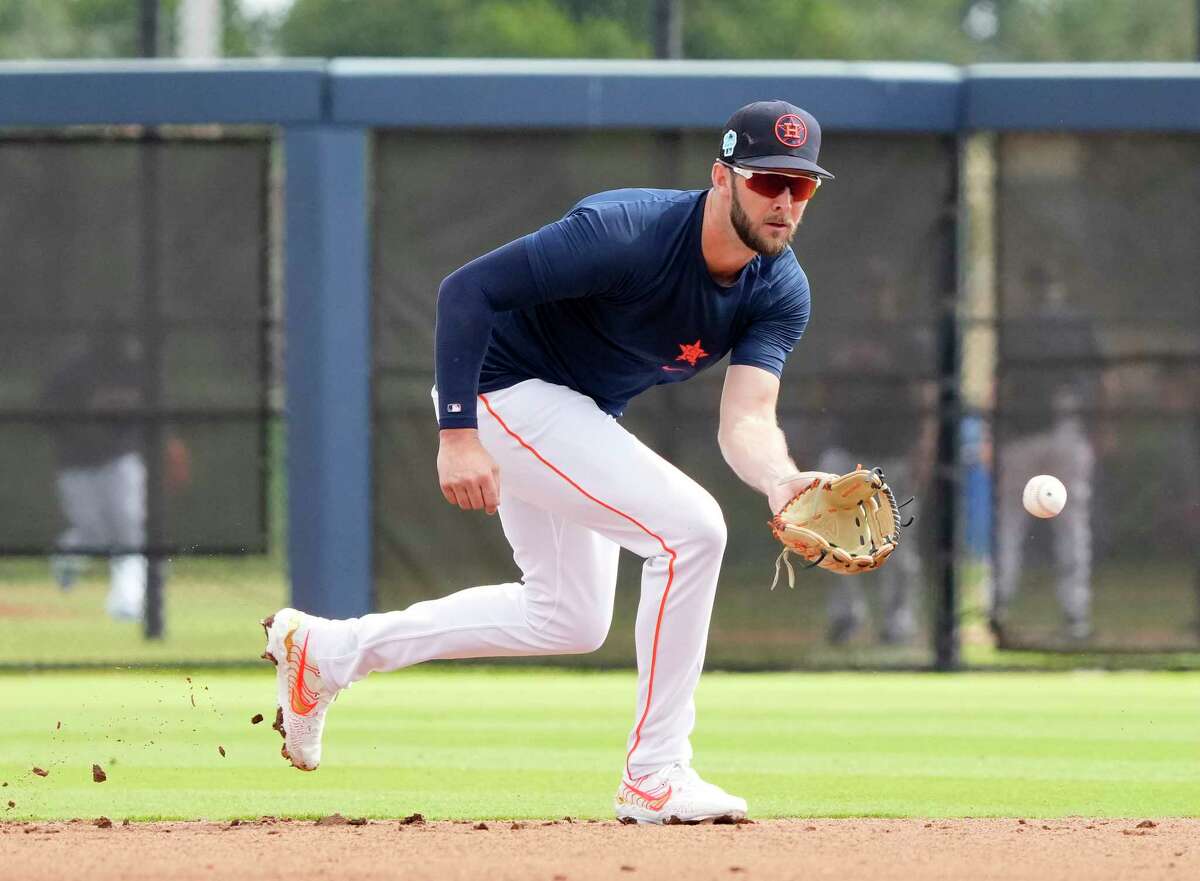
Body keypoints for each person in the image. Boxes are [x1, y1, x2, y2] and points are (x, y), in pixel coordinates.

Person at [264, 100, 838, 824]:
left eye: (803, 185)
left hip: (573, 411)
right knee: (693, 531)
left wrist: (782, 479)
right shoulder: (625, 233)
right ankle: (656, 773)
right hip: (500, 387)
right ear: (721, 177)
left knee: (568, 617)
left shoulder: (780, 288)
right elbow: (466, 290)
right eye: (767, 181)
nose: (785, 201)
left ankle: (327, 650)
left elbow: (748, 418)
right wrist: (458, 433)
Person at [43, 329, 189, 621]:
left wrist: (169, 440)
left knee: (129, 528)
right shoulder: (72, 372)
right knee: (92, 532)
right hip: (77, 463)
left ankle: (127, 602)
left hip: (121, 459)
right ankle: (67, 555)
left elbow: (155, 412)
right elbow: (47, 412)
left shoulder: (135, 371)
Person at [990, 265, 1099, 643]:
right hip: (1046, 434)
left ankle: (1001, 608)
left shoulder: (1020, 327)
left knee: (1018, 527)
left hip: (1045, 433)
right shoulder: (1064, 326)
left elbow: (1097, 381)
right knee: (1061, 527)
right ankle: (1072, 614)